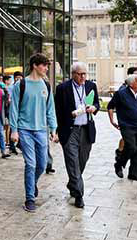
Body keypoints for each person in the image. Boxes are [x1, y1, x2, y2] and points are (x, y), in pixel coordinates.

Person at [9, 53, 58, 213]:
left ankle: (32, 183)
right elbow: (14, 109)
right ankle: (30, 198)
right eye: (43, 65)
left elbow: (50, 109)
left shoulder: (46, 86)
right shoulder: (20, 85)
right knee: (30, 164)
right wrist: (14, 130)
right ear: (35, 66)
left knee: (42, 164)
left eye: (47, 65)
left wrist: (53, 129)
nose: (46, 68)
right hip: (24, 130)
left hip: (41, 130)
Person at [54, 62, 100, 208]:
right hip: (70, 130)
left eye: (85, 74)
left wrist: (94, 108)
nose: (83, 77)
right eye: (80, 74)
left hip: (86, 130)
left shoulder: (91, 86)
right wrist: (55, 130)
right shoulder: (62, 88)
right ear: (73, 74)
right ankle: (79, 195)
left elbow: (97, 104)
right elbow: (57, 111)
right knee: (72, 163)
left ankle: (72, 183)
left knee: (82, 161)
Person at [108, 74, 137, 182]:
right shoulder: (121, 94)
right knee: (131, 147)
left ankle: (134, 173)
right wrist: (112, 121)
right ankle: (119, 164)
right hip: (126, 125)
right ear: (131, 84)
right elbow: (110, 106)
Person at [116, 66, 137, 170]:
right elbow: (114, 105)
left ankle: (134, 161)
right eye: (136, 74)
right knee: (129, 143)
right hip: (126, 123)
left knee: (134, 144)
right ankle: (120, 153)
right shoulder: (123, 89)